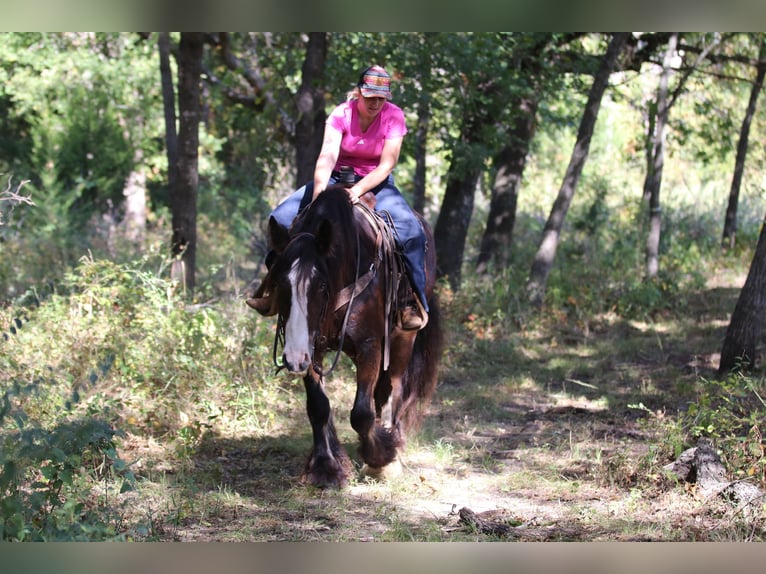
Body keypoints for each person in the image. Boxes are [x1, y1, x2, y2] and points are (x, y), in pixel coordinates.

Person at [256, 64, 429, 330]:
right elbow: (327, 157)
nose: (375, 104)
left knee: (411, 233)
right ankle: (274, 291)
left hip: (375, 182)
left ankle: (409, 300)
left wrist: (357, 192)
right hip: (335, 178)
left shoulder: (394, 117)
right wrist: (318, 197)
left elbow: (386, 165)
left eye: (381, 99)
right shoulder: (341, 114)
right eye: (370, 97)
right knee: (280, 218)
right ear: (359, 93)